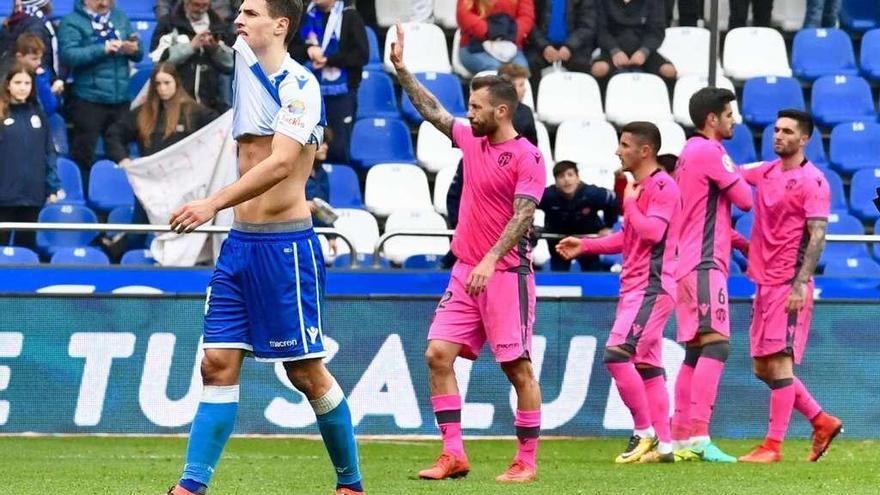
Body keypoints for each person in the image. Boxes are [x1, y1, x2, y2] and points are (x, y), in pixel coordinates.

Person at [166, 1, 364, 494]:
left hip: (284, 249)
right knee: (216, 363)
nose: (239, 18)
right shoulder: (244, 63)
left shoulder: (300, 85)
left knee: (304, 371)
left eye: (251, 12)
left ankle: (350, 484)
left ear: (280, 25)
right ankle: (190, 487)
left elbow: (278, 165)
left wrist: (211, 202)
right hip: (240, 246)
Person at [390, 22, 547, 483]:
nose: (468, 113)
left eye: (476, 107)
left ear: (501, 111)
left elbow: (523, 216)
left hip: (505, 274)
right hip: (465, 272)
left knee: (518, 368)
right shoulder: (470, 140)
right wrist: (402, 70)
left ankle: (527, 461)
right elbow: (434, 111)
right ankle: (453, 453)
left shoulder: (527, 157)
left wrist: (490, 260)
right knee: (438, 354)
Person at [556, 122, 680, 464]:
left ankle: (645, 432)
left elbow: (652, 232)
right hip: (636, 288)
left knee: (616, 354)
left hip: (651, 288)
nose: (617, 150)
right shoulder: (643, 187)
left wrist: (629, 203)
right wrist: (586, 245)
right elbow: (630, 238)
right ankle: (666, 448)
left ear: (645, 151)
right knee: (649, 368)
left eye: (624, 145)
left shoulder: (662, 187)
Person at [737, 110, 843, 463]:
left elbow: (818, 236)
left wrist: (800, 284)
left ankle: (773, 446)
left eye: (787, 131)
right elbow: (726, 175)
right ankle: (821, 420)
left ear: (805, 139)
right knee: (761, 368)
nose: (778, 135)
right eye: (776, 129)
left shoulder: (813, 181)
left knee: (780, 366)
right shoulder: (765, 172)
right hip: (763, 284)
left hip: (789, 284)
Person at [670, 87, 754, 463]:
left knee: (695, 351)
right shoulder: (709, 151)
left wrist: (738, 242)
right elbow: (745, 200)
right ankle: (700, 437)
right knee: (717, 345)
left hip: (688, 261)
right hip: (705, 263)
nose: (733, 120)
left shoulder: (688, 153)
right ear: (712, 119)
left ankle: (681, 437)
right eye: (728, 114)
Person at [58, 0, 142, 188]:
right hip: (89, 99)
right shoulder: (72, 21)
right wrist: (102, 49)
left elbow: (139, 52)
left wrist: (135, 48)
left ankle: (120, 195)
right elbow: (69, 55)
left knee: (121, 151)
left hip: (120, 98)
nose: (105, 3)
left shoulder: (119, 16)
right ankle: (84, 195)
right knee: (84, 152)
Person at [289, 0, 368, 163]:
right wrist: (308, 50)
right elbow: (288, 50)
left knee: (338, 147)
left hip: (341, 95)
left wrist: (329, 60)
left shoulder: (350, 16)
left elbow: (361, 55)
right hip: (305, 93)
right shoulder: (303, 15)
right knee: (306, 146)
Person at [0, 63, 62, 250]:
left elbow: (49, 152)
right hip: (4, 197)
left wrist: (52, 186)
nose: (22, 87)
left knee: (27, 249)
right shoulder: (2, 115)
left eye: (27, 83)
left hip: (32, 196)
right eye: (17, 82)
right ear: (7, 84)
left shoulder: (38, 114)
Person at [150, 0, 236, 113]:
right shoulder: (168, 23)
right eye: (196, 4)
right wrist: (190, 47)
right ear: (186, 2)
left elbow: (230, 65)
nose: (201, 9)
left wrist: (215, 49)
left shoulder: (219, 25)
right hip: (176, 100)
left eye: (205, 5)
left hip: (211, 101)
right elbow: (158, 60)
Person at [540, 160, 619, 272]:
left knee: (593, 275)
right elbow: (526, 205)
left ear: (578, 178)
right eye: (561, 176)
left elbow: (613, 199)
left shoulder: (592, 193)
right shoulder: (547, 196)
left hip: (588, 243)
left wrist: (608, 226)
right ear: (556, 182)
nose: (566, 179)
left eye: (570, 175)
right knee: (558, 278)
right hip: (559, 245)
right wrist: (529, 225)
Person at [591, 0, 676, 86]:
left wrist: (643, 52)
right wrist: (615, 51)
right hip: (612, 50)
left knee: (669, 71)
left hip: (646, 50)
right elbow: (601, 31)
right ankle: (604, 98)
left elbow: (656, 32)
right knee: (599, 69)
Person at [456, 0, 534, 74]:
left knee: (521, 70)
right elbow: (463, 15)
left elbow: (526, 16)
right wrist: (490, 31)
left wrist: (510, 32)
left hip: (510, 46)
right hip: (474, 47)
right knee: (496, 70)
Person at [526, 0, 595, 80]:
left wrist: (569, 47)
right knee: (530, 64)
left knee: (583, 66)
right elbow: (529, 22)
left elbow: (587, 26)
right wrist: (544, 46)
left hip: (574, 48)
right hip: (541, 47)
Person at [0, 0, 61, 83]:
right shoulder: (35, 25)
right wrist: (53, 80)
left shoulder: (15, 20)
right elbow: (35, 58)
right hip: (31, 82)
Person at [13, 33, 59, 116]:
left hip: (43, 115)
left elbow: (49, 107)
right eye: (34, 59)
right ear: (19, 57)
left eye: (40, 58)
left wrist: (43, 82)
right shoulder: (9, 76)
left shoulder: (42, 74)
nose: (39, 62)